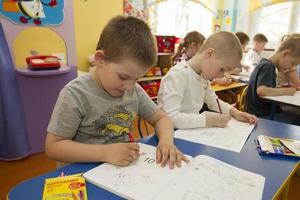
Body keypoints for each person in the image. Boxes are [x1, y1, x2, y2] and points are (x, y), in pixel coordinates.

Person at [45, 16, 188, 169]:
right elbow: (54, 147)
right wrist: (105, 152)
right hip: (80, 174)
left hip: (119, 172)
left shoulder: (134, 90)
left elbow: (162, 119)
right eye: (123, 77)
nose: (129, 86)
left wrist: (166, 141)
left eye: (136, 79)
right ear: (100, 59)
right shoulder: (75, 94)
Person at [157, 31, 257, 129]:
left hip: (189, 134)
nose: (222, 75)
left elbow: (213, 101)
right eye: (222, 69)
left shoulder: (202, 77)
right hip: (171, 137)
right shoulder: (178, 75)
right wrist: (208, 120)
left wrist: (234, 112)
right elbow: (169, 118)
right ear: (209, 54)